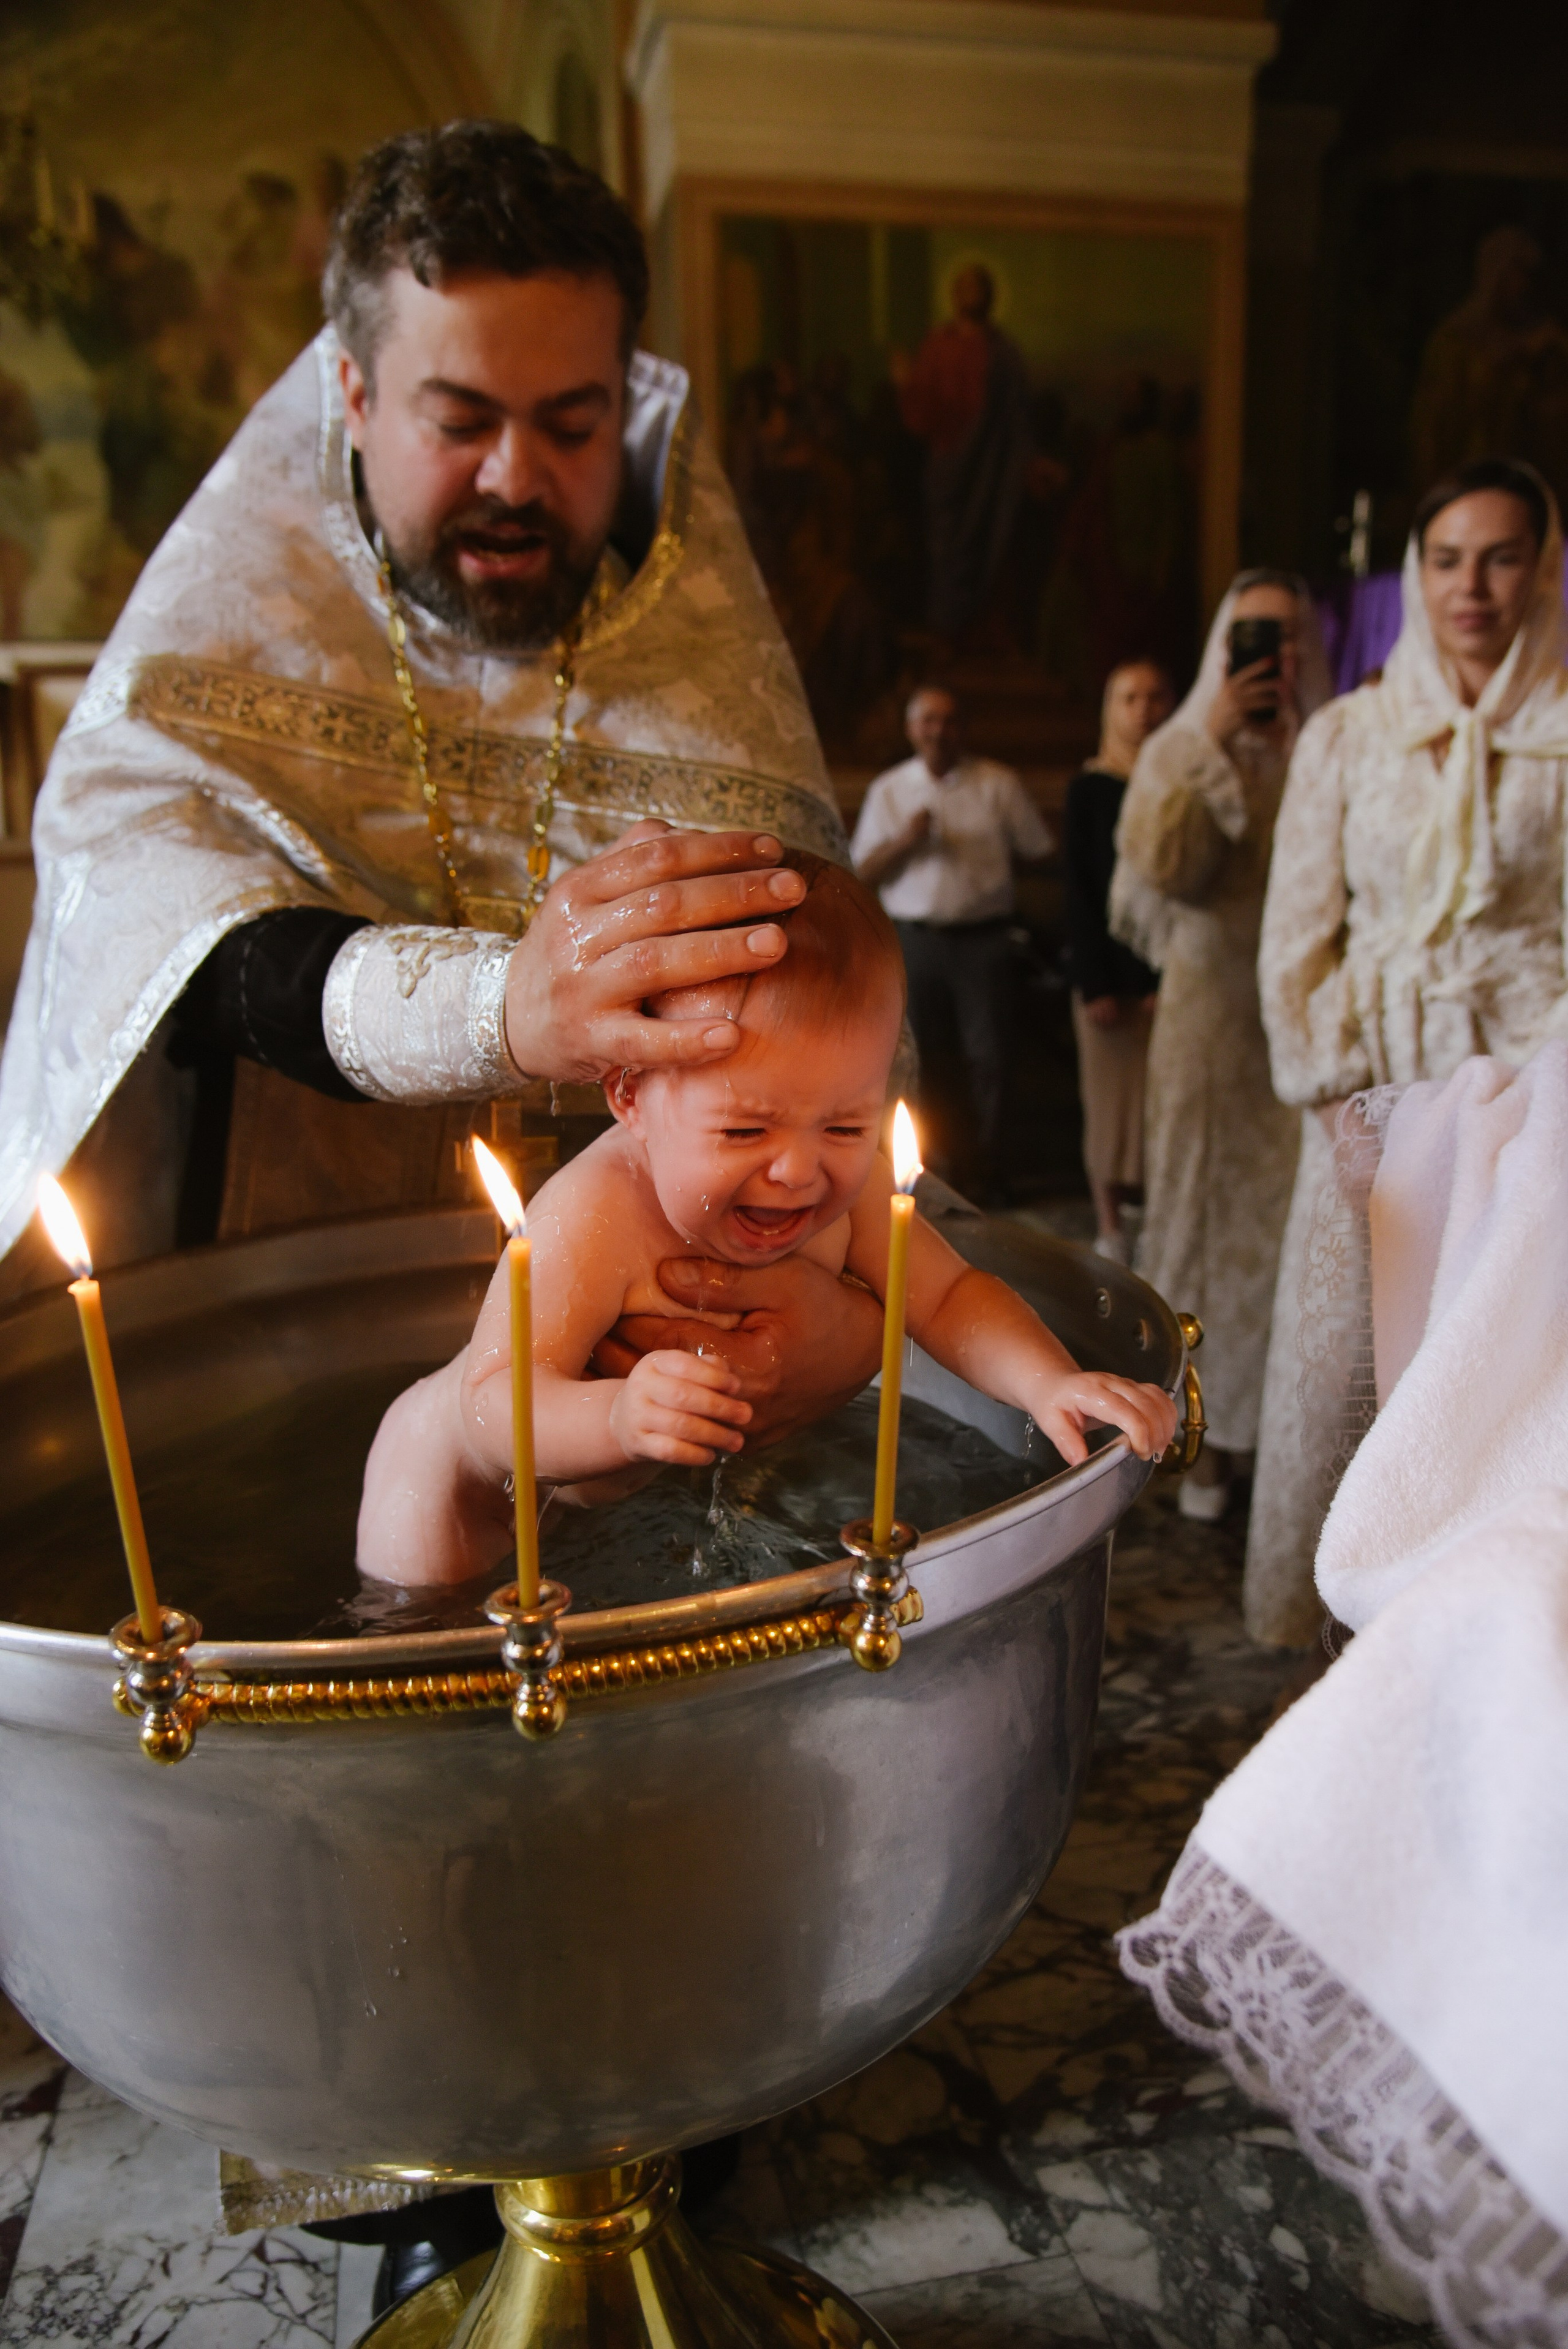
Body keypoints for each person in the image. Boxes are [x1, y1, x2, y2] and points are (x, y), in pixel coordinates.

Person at [0, 121, 889, 1452]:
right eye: (459, 421)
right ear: (352, 395)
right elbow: (154, 935)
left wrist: (845, 1324)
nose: (515, 480)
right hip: (279, 1308)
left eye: (572, 424)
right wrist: (499, 1008)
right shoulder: (233, 626)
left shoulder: (707, 675)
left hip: (638, 1378)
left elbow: (828, 1067)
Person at [358, 854, 1176, 1585]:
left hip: (599, 1489)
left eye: (847, 1124)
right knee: (437, 1635)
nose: (799, 1168)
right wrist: (614, 1415)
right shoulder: (593, 1215)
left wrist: (1048, 1380)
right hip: (452, 1479)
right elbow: (490, 1400)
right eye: (745, 1129)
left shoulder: (846, 1181)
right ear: (630, 1095)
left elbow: (951, 1295)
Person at [1247, 456, 1568, 1646]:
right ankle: (1324, 1626)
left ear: (1538, 568)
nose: (1469, 585)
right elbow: (1291, 943)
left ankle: (1481, 1641)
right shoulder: (1343, 737)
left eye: (1497, 556)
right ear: (1411, 573)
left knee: (1498, 1364)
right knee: (1348, 1365)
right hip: (1372, 1088)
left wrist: (1549, 1098)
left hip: (1536, 1087)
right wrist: (1335, 1095)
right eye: (1443, 559)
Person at [1110, 571, 1332, 1522]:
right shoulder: (1179, 748)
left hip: (1303, 1013)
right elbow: (1170, 871)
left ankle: (1267, 1439)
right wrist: (1213, 748)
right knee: (1198, 1219)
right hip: (1208, 1015)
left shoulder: (1332, 743)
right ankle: (1197, 1436)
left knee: (1287, 1232)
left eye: (1285, 641)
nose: (1268, 660)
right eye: (1250, 638)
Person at [850, 684, 1052, 1201]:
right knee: (923, 1057)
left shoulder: (998, 785)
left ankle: (987, 1169)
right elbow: (861, 871)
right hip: (915, 941)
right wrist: (905, 843)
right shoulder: (891, 790)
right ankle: (930, 1168)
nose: (939, 730)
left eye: (949, 720)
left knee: (991, 1057)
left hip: (984, 941)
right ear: (912, 728)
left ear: (964, 727)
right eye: (928, 720)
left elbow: (1040, 848)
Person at [1061, 659, 1174, 1261]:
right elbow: (1081, 889)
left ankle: (1157, 1215)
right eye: (1130, 697)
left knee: (1162, 1107)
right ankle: (1110, 1224)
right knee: (1107, 1107)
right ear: (1112, 707)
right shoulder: (1091, 787)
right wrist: (1095, 982)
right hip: (1105, 975)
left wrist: (1164, 978)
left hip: (1167, 978)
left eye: (1155, 696)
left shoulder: (1180, 781)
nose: (1143, 709)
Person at [894, 263, 1033, 644]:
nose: (969, 295)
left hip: (990, 469)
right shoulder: (938, 344)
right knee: (946, 550)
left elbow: (1017, 415)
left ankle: (979, 633)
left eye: (977, 288)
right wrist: (908, 384)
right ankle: (947, 630)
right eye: (963, 288)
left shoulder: (1003, 353)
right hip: (949, 466)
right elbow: (920, 412)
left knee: (990, 545)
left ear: (989, 297)